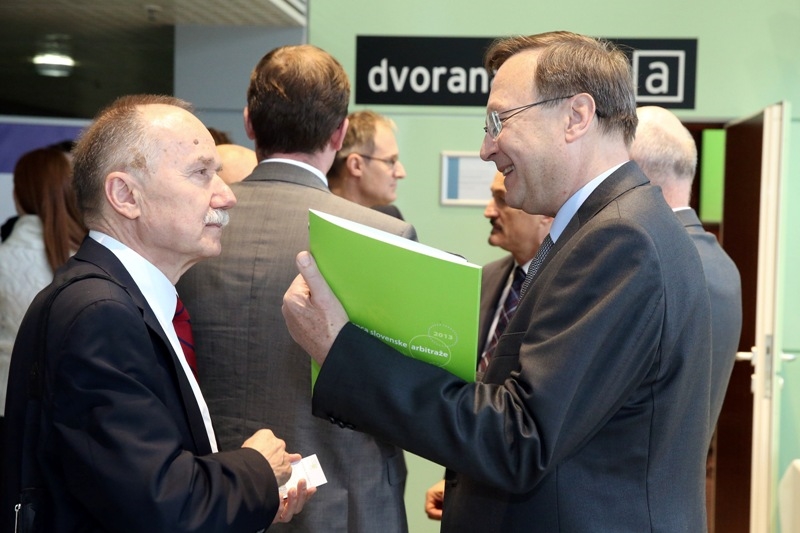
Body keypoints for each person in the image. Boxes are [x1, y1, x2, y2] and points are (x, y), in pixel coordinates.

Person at [282, 31, 714, 532]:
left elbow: (518, 438)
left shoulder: (620, 239)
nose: (487, 148)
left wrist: (341, 349)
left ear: (576, 116)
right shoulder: (612, 227)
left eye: (498, 121)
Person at [1, 94, 312, 532]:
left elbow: (138, 485)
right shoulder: (101, 315)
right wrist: (257, 468)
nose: (227, 196)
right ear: (125, 195)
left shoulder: (121, 300)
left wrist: (252, 499)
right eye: (201, 173)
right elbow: (160, 505)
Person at [177, 45, 417, 533]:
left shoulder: (187, 227)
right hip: (343, 504)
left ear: (249, 122)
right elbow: (401, 391)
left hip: (213, 497)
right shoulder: (385, 237)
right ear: (340, 134)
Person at [629, 105, 743, 526]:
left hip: (629, 506)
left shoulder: (651, 263)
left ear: (634, 174)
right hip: (677, 505)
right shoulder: (721, 263)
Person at [424, 170, 553, 520]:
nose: (488, 210)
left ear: (545, 213)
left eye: (501, 198)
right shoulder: (486, 278)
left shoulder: (564, 293)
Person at [0, 147, 86, 466]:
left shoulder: (4, 259)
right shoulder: (95, 261)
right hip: (76, 416)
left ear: (19, 194)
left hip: (7, 411)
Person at [327, 110, 407, 220]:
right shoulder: (313, 219)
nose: (401, 173)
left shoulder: (391, 217)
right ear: (356, 165)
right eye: (390, 161)